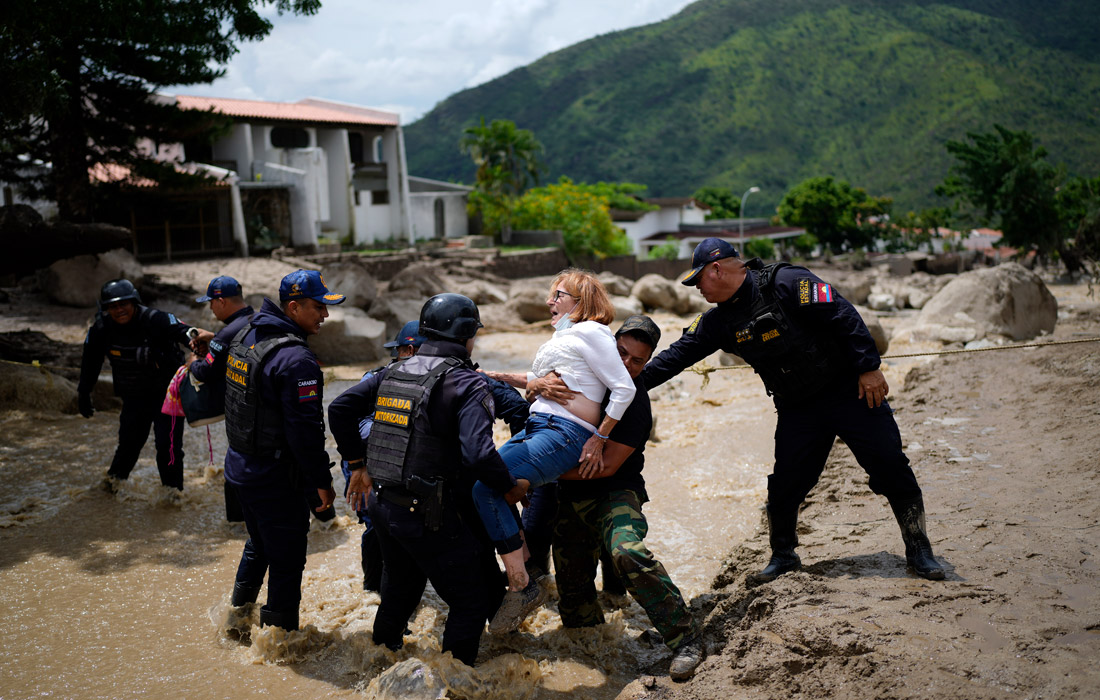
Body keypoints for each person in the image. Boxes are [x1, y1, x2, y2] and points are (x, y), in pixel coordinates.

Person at [640, 238, 945, 583]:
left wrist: (869, 367)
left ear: (717, 269)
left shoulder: (787, 283)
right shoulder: (717, 322)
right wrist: (630, 385)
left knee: (890, 465)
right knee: (785, 485)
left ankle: (919, 549)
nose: (697, 289)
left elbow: (842, 313)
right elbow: (675, 357)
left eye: (699, 281)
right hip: (798, 408)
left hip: (850, 392)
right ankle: (783, 556)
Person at [328, 294, 524, 666]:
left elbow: (339, 408)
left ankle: (378, 665)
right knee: (471, 601)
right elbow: (479, 454)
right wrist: (508, 486)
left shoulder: (392, 371)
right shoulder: (468, 383)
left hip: (384, 508)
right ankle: (456, 682)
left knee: (400, 593)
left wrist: (357, 464)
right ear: (468, 335)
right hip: (429, 514)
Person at [531, 315, 705, 680]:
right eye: (621, 353)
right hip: (570, 495)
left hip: (614, 492)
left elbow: (605, 468)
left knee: (626, 552)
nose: (626, 364)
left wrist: (532, 473)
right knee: (575, 604)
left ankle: (686, 637)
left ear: (647, 363)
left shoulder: (636, 405)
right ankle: (594, 659)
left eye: (637, 360)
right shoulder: (582, 373)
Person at [478, 268, 636, 633]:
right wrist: (499, 376)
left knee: (486, 484)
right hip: (540, 428)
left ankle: (522, 584)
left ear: (582, 303)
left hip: (565, 434)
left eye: (558, 296)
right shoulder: (567, 336)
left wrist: (599, 437)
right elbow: (545, 381)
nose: (550, 302)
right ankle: (525, 574)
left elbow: (623, 389)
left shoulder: (592, 332)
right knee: (485, 483)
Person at [223, 269, 342, 633]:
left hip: (240, 469)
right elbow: (305, 434)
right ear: (293, 307)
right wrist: (321, 483)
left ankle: (236, 619)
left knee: (259, 544)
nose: (325, 315)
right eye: (319, 307)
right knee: (287, 559)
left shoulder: (246, 334)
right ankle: (280, 644)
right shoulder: (296, 360)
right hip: (274, 478)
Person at [77, 278, 199, 494]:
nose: (119, 310)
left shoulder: (156, 319)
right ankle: (109, 490)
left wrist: (197, 347)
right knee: (128, 445)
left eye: (123, 304)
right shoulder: (101, 329)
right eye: (113, 306)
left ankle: (173, 497)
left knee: (167, 448)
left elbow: (187, 333)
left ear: (134, 302)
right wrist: (84, 393)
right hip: (134, 397)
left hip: (168, 396)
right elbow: (90, 363)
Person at [339, 319, 429, 592]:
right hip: (364, 464)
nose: (408, 358)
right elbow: (355, 422)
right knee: (376, 529)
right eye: (405, 352)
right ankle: (373, 589)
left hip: (404, 468)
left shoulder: (434, 381)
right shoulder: (374, 379)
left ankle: (401, 591)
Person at [186, 277, 255, 521]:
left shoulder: (226, 335)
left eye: (211, 303)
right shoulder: (256, 321)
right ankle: (327, 520)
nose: (211, 309)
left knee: (234, 475)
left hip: (246, 418)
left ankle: (235, 530)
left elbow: (204, 372)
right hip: (269, 408)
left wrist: (192, 360)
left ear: (221, 301)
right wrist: (215, 338)